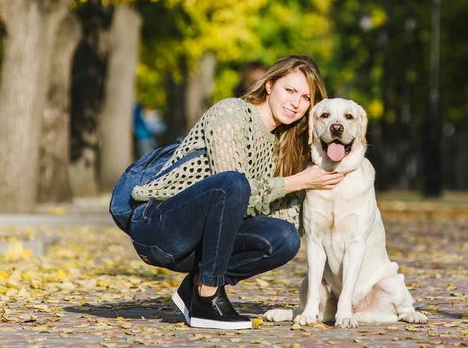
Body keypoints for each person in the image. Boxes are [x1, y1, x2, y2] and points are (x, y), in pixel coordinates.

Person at [127, 54, 344, 330]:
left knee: (285, 239)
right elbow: (233, 189)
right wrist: (298, 181)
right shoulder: (231, 113)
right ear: (269, 86)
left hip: (202, 240)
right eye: (290, 90)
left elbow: (284, 219)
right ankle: (206, 297)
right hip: (160, 225)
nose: (295, 103)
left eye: (305, 98)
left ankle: (195, 286)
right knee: (233, 183)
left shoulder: (284, 144)